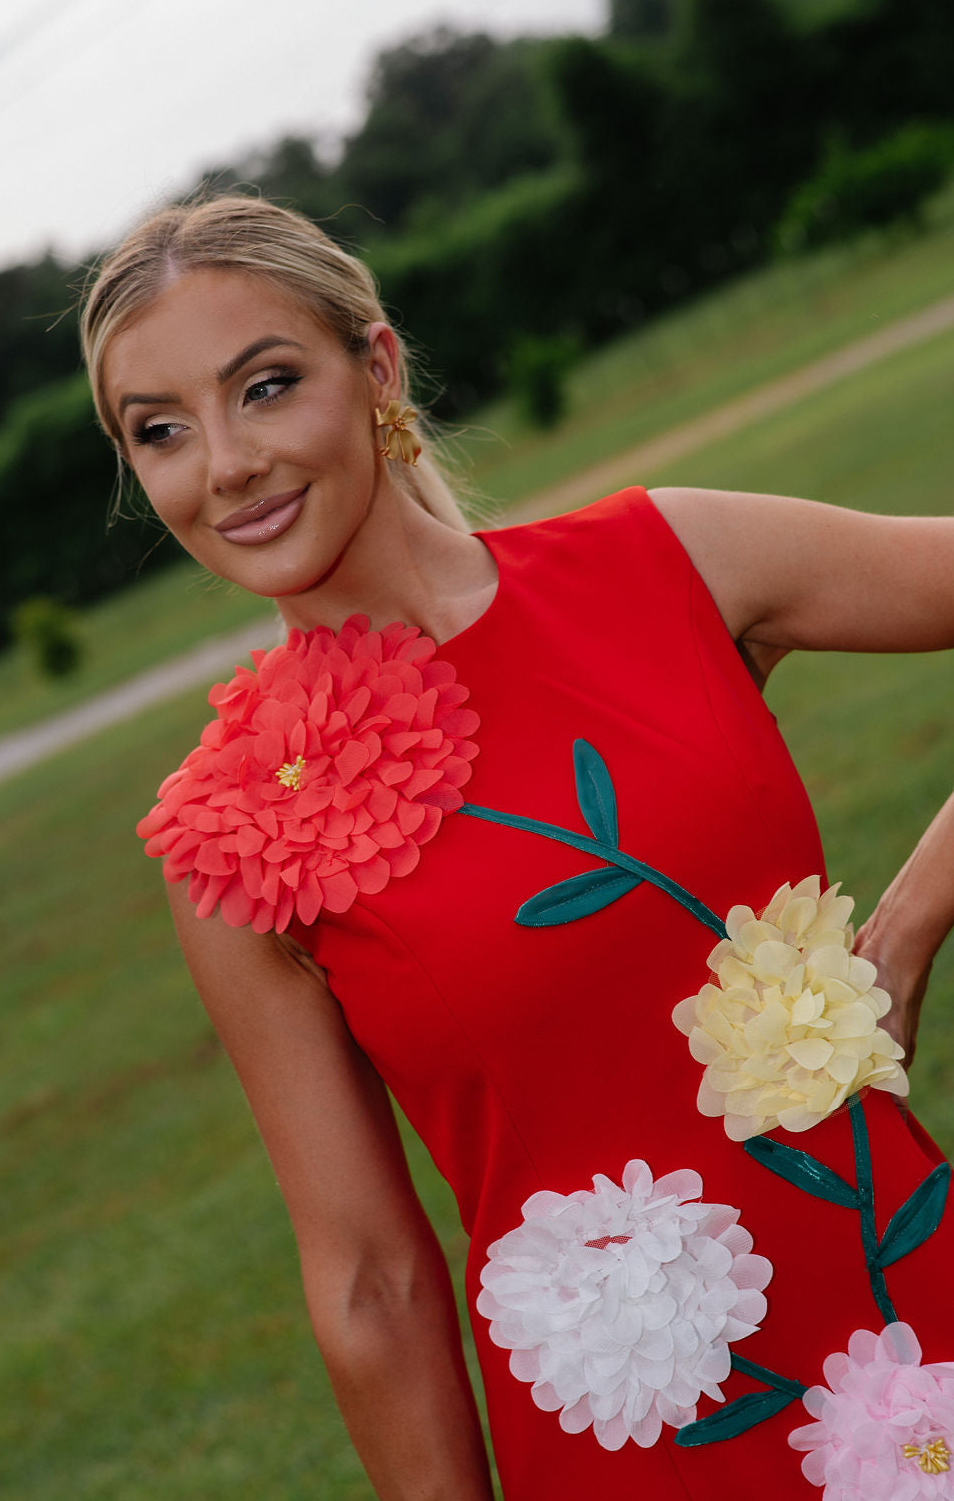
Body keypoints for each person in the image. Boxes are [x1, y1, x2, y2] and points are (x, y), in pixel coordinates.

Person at [81, 195, 954, 1501]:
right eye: (160, 431)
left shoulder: (672, 562)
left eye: (264, 387)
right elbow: (369, 1280)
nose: (225, 465)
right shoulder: (233, 837)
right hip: (631, 1455)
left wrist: (911, 923)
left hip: (911, 1332)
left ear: (377, 370)